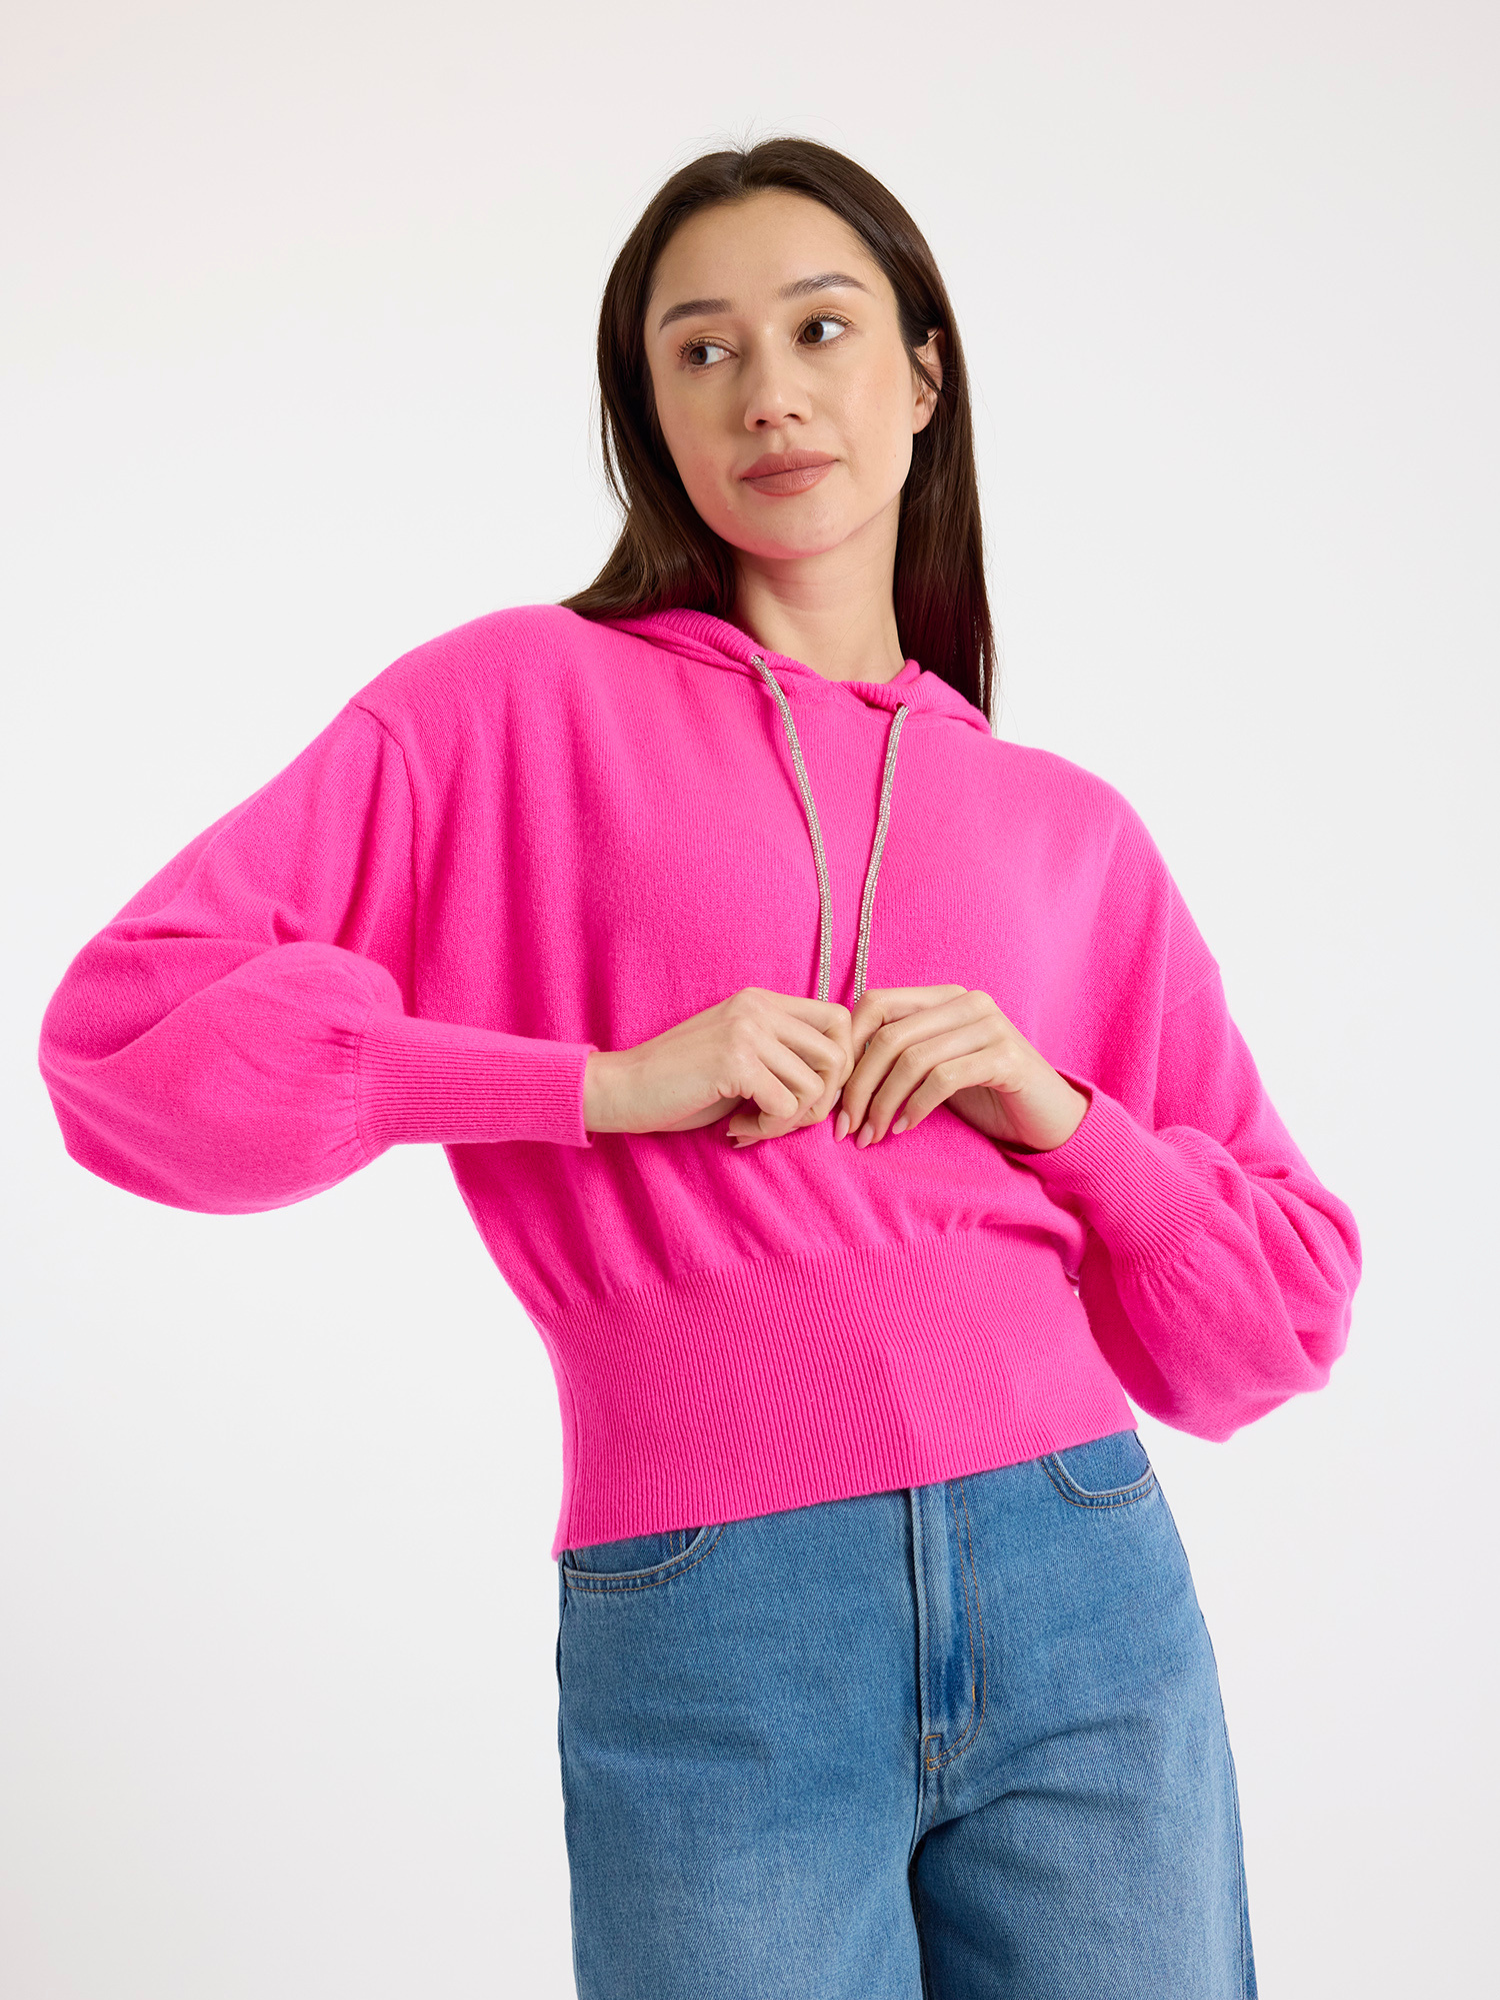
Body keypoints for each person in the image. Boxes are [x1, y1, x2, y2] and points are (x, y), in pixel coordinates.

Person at [37, 137, 1359, 1999]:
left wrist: (1056, 1112)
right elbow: (130, 1044)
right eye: (701, 351)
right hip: (719, 1607)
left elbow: (1277, 1322)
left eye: (820, 329)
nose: (769, 392)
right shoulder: (514, 702)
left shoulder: (1068, 827)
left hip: (1084, 1569)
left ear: (922, 375)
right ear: (647, 412)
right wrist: (592, 1086)